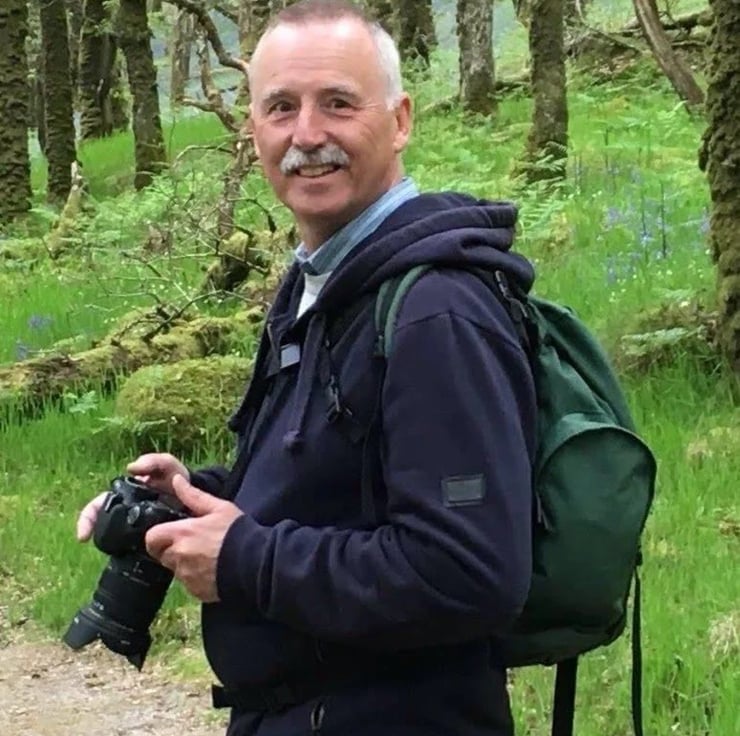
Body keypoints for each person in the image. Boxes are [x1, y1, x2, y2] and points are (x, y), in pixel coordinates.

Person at [76, 2, 537, 734]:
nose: (308, 134)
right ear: (253, 128)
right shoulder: (321, 285)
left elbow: (471, 572)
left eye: (339, 104)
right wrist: (192, 499)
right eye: (281, 107)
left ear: (400, 120)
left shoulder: (437, 311)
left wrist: (244, 559)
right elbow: (332, 490)